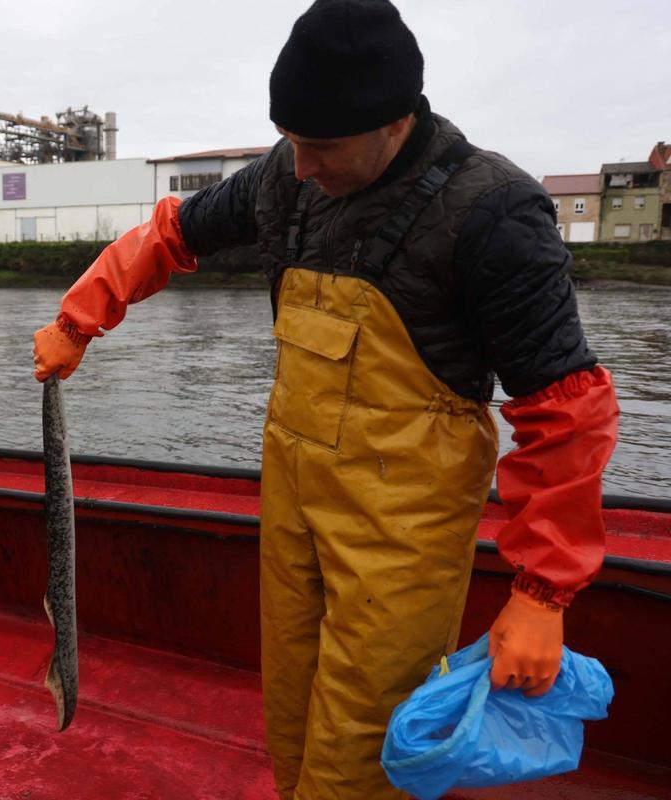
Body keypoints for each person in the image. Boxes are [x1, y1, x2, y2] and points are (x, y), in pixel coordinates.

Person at [31, 1, 619, 797]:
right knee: (290, 719)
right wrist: (79, 319)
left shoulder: (494, 212)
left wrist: (541, 594)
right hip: (293, 514)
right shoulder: (287, 177)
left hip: (399, 547)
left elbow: (566, 412)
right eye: (292, 141)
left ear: (396, 121)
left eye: (323, 148)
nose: (302, 166)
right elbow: (173, 233)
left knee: (358, 758)